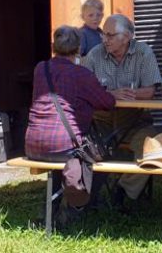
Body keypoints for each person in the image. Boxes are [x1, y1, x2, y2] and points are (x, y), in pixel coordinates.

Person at [84, 14, 162, 207]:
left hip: (135, 120)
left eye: (110, 35)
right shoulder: (94, 54)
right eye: (104, 34)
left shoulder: (144, 53)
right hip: (100, 122)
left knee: (153, 151)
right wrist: (112, 95)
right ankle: (83, 199)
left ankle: (123, 190)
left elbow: (151, 90)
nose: (104, 39)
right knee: (81, 149)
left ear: (126, 37)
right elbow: (86, 91)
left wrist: (130, 94)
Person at [26, 26, 117, 160]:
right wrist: (114, 93)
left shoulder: (40, 69)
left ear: (53, 46)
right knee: (99, 153)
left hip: (32, 145)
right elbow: (107, 103)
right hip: (64, 146)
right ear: (79, 49)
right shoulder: (81, 74)